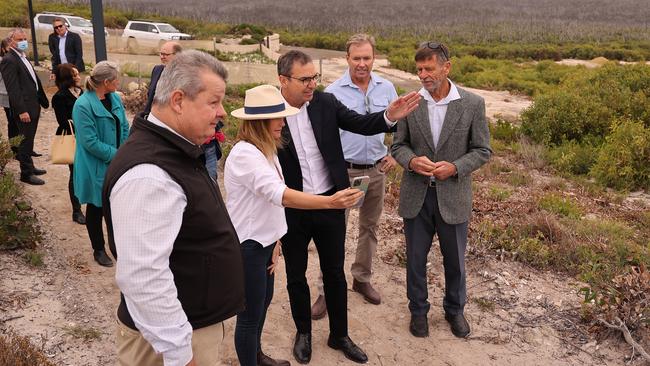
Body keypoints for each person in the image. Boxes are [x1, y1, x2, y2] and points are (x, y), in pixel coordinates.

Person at [276, 50, 420, 364]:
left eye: (314, 77)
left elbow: (361, 123)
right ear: (282, 80)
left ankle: (339, 334)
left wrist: (388, 117)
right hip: (293, 207)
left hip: (331, 203)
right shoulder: (270, 111)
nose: (312, 84)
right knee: (296, 276)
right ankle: (304, 333)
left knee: (335, 273)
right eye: (304, 79)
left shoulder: (325, 103)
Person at [103, 50, 245, 366]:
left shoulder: (175, 149)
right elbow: (143, 276)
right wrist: (180, 353)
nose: (222, 111)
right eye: (213, 101)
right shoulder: (149, 174)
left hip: (188, 327)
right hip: (172, 344)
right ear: (178, 101)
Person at [225, 84, 363, 366]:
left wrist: (276, 241)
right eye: (278, 117)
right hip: (249, 246)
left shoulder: (267, 150)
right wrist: (330, 202)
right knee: (250, 317)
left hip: (265, 244)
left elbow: (270, 203)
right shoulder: (245, 155)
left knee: (261, 306)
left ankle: (257, 357)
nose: (283, 122)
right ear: (261, 121)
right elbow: (281, 195)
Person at [390, 42, 491, 339]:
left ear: (447, 67)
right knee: (415, 259)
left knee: (455, 260)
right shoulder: (409, 103)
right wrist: (410, 161)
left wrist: (456, 167)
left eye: (429, 68)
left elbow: (483, 150)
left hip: (453, 196)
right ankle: (418, 311)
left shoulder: (473, 104)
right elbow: (398, 146)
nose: (423, 75)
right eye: (419, 69)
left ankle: (454, 310)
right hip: (416, 196)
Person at [311, 34, 398, 319]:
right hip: (343, 172)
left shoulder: (387, 88)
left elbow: (402, 125)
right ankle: (326, 290)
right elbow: (322, 136)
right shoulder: (333, 92)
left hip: (376, 169)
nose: (362, 64)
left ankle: (361, 278)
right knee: (334, 232)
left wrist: (394, 152)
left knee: (370, 228)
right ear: (347, 59)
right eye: (356, 58)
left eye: (367, 58)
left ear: (375, 58)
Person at [73, 61, 129, 267]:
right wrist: (117, 155)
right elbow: (89, 142)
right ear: (106, 82)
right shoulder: (83, 105)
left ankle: (119, 248)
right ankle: (98, 249)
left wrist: (124, 150)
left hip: (116, 161)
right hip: (95, 165)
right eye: (116, 80)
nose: (118, 82)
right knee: (96, 208)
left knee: (117, 208)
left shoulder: (114, 98)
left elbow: (124, 125)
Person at [0, 28, 49, 185]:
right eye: (19, 39)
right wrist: (21, 110)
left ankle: (30, 166)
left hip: (33, 104)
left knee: (29, 139)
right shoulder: (9, 60)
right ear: (11, 41)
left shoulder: (22, 57)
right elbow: (13, 89)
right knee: (25, 141)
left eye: (24, 39)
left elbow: (32, 80)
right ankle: (26, 174)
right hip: (25, 108)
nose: (23, 42)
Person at [51, 63, 86, 225]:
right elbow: (63, 121)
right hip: (73, 139)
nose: (78, 77)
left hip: (87, 138)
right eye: (74, 75)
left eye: (78, 74)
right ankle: (76, 210)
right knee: (76, 173)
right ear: (67, 78)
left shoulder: (82, 92)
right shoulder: (59, 97)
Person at [143, 41, 182, 115]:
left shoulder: (184, 75)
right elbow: (150, 95)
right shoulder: (157, 70)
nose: (162, 57)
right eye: (161, 54)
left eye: (165, 54)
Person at [0, 38, 15, 147]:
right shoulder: (3, 60)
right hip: (6, 94)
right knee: (12, 121)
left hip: (14, 94)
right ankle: (14, 147)